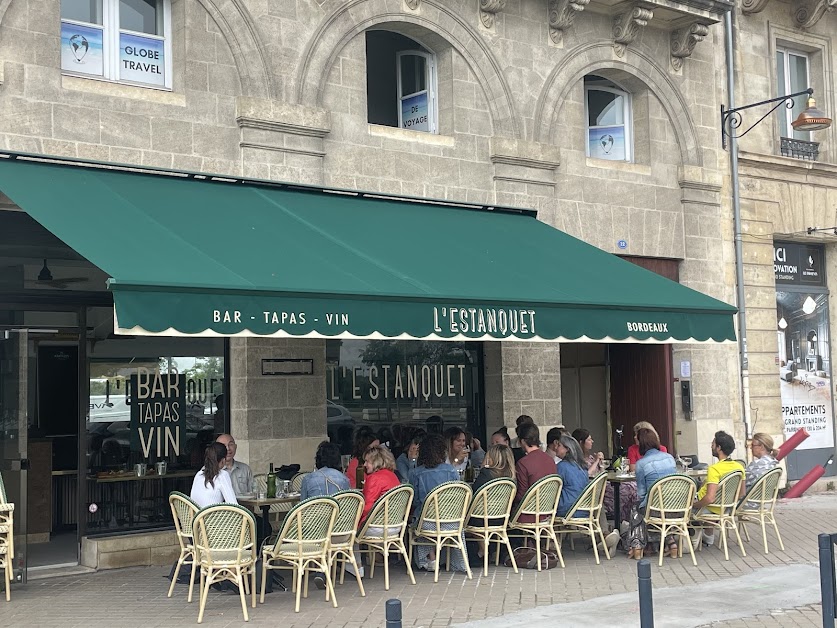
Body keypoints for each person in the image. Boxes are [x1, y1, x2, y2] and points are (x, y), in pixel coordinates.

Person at [409, 433, 462, 571]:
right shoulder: (451, 471)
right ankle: (446, 558)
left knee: (421, 517)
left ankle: (430, 556)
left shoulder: (416, 473)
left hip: (427, 524)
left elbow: (414, 501)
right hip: (452, 523)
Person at [626, 428, 677, 559]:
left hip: (655, 509)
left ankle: (637, 547)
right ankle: (671, 543)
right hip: (677, 508)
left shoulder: (641, 464)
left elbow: (642, 494)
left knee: (636, 508)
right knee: (662, 508)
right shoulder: (670, 458)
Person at [691, 431, 746, 549]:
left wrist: (695, 505)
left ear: (719, 448)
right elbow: (742, 493)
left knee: (682, 509)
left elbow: (710, 498)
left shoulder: (714, 469)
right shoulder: (739, 467)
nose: (711, 446)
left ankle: (687, 542)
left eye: (713, 444)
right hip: (726, 509)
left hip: (708, 509)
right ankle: (708, 538)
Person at [574, 427, 636, 525]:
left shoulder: (591, 457)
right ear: (581, 442)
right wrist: (597, 461)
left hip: (603, 486)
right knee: (626, 491)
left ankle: (628, 521)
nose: (592, 441)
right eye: (589, 439)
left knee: (633, 486)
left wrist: (601, 463)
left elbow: (602, 473)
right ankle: (622, 521)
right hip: (593, 490)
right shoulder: (577, 460)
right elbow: (588, 474)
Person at [513, 423, 556, 522]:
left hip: (529, 513)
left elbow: (522, 494)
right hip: (547, 511)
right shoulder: (550, 459)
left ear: (522, 441)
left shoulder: (523, 463)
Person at [360, 444, 400, 522]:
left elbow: (367, 508)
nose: (364, 464)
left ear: (376, 461)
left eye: (367, 461)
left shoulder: (374, 478)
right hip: (395, 523)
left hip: (377, 524)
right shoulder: (392, 475)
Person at [190, 442, 238, 508]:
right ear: (223, 460)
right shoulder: (222, 475)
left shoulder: (199, 474)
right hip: (213, 517)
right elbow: (233, 505)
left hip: (196, 517)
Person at [554, 434, 589, 517]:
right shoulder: (582, 466)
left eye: (559, 445)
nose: (556, 448)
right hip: (585, 508)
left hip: (567, 509)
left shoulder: (561, 466)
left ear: (567, 449)